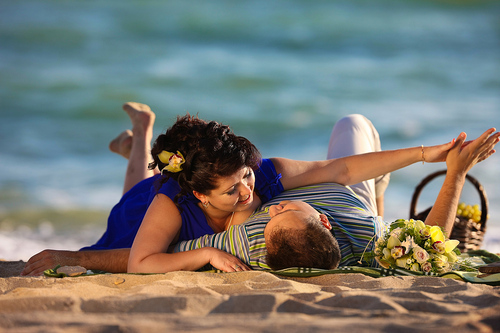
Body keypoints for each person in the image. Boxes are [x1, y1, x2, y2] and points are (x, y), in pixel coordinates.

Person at [21, 103, 499, 275]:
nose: (249, 191)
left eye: (245, 177)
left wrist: (426, 154)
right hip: (147, 212)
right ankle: (140, 139)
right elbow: (142, 260)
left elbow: (343, 168)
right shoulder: (172, 203)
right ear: (201, 196)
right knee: (132, 198)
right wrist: (202, 256)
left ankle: (137, 142)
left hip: (182, 189)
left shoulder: (262, 174)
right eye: (233, 190)